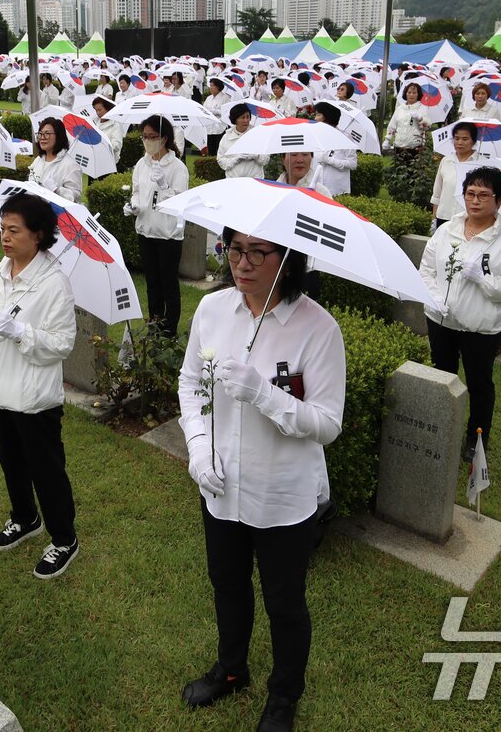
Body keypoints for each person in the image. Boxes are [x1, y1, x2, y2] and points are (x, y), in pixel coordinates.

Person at [177, 227, 345, 732]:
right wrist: (198, 447)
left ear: (287, 259)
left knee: (284, 603)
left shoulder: (318, 329)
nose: (241, 263)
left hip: (282, 492)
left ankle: (283, 698)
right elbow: (190, 382)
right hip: (221, 483)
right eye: (234, 249)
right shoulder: (213, 310)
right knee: (227, 584)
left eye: (256, 252)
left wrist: (265, 395)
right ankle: (231, 669)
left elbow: (327, 424)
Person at [0, 193, 79, 579]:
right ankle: (25, 517)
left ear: (39, 234)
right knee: (11, 462)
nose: (5, 237)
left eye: (14, 230)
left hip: (34, 399)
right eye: (3, 228)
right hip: (1, 390)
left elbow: (62, 344)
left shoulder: (53, 283)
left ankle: (64, 538)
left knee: (47, 472)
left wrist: (20, 332)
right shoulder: (0, 273)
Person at [418, 167, 501, 461]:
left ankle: (476, 439)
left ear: (499, 200)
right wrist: (434, 297)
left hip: (480, 327)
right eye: (470, 193)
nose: (475, 201)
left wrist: (484, 280)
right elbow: (427, 269)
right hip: (441, 319)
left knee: (479, 385)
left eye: (484, 195)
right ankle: (441, 428)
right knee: (442, 376)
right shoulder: (447, 230)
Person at [126, 115, 189, 337]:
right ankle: (154, 325)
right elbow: (136, 191)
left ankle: (169, 330)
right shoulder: (141, 164)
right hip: (146, 230)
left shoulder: (177, 167)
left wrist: (164, 185)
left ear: (164, 139)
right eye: (144, 136)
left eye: (152, 137)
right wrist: (134, 205)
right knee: (152, 282)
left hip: (168, 233)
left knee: (167, 283)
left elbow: (180, 202)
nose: (147, 141)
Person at [430, 122, 479, 229]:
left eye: (465, 139)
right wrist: (434, 218)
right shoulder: (446, 160)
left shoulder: (481, 164)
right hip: (444, 217)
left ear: (474, 141)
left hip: (467, 219)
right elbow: (437, 193)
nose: (460, 142)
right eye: (456, 138)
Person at [28, 117, 83, 202]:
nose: (42, 137)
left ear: (58, 136)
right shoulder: (38, 160)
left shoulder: (71, 166)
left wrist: (57, 189)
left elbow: (75, 197)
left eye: (47, 133)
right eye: (40, 133)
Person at [310, 102, 358, 198]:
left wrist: (330, 160)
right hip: (315, 185)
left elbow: (352, 164)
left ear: (327, 117)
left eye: (318, 115)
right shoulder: (314, 135)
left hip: (336, 189)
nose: (315, 118)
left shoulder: (345, 137)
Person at [382, 82, 430, 163]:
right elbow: (392, 126)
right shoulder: (400, 109)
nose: (411, 95)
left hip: (415, 147)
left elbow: (428, 126)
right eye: (409, 92)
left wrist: (420, 118)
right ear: (406, 94)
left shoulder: (422, 108)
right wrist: (387, 139)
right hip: (399, 145)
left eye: (414, 93)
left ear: (418, 94)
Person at [217, 104, 268, 180]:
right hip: (234, 180)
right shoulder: (227, 137)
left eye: (248, 117)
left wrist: (256, 156)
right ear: (235, 120)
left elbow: (265, 159)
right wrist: (235, 160)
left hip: (255, 180)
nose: (246, 120)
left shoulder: (257, 134)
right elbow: (221, 160)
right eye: (243, 117)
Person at [92, 96, 126, 161]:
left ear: (108, 109)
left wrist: (101, 145)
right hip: (94, 158)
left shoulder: (116, 125)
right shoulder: (94, 121)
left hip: (108, 160)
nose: (98, 113)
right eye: (96, 110)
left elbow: (116, 145)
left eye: (100, 110)